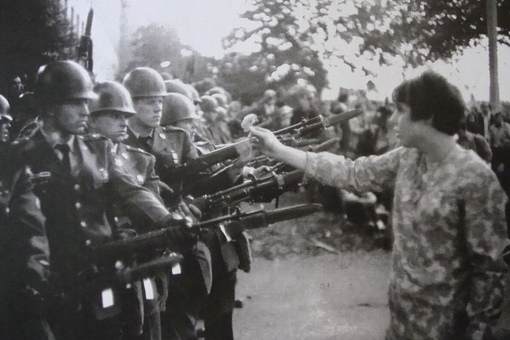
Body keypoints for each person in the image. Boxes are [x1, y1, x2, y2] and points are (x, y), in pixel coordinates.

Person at [249, 70, 509, 340]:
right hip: (402, 323)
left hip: (447, 330)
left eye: (401, 111)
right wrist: (279, 150)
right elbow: (353, 173)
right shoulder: (409, 157)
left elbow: (489, 271)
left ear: (427, 117)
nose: (393, 119)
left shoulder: (475, 178)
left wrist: (476, 334)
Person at [9, 60, 193, 340]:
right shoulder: (18, 158)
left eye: (87, 102)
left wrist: (167, 219)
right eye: (76, 104)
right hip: (53, 282)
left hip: (101, 276)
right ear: (49, 106)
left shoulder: (99, 149)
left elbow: (131, 190)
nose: (86, 111)